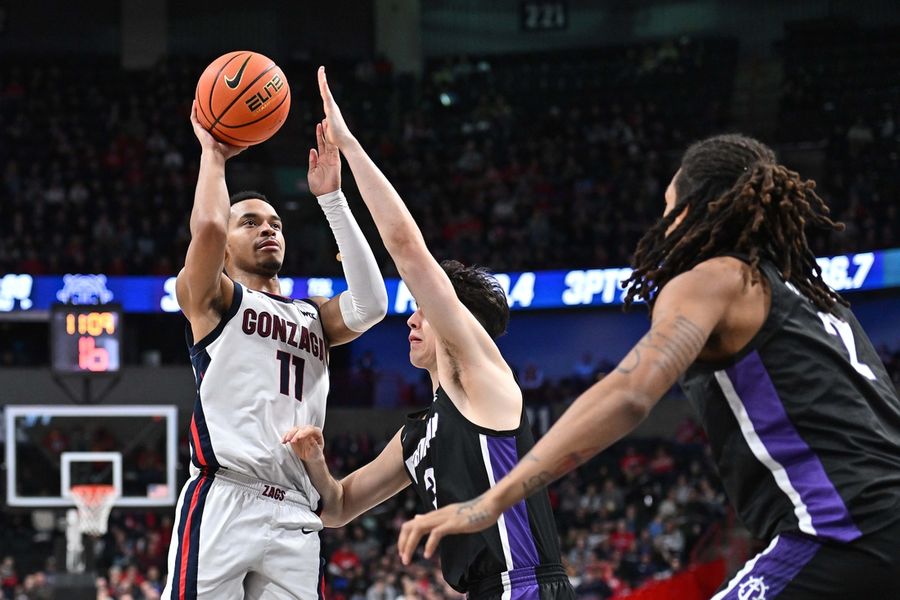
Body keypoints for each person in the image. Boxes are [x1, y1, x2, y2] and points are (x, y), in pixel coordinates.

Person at [397, 134, 900, 597]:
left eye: (669, 208)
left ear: (701, 210)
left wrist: (491, 501)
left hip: (840, 529)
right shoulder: (821, 299)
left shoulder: (716, 277)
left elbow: (629, 393)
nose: (662, 225)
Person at [282, 67, 575, 600]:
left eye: (422, 309)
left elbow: (407, 247)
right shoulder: (420, 432)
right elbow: (339, 506)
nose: (412, 320)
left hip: (526, 587)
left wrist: (346, 147)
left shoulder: (482, 379)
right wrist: (315, 461)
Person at [161, 100, 387, 599]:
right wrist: (214, 155)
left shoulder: (313, 316)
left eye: (277, 223)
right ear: (222, 253)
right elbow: (210, 229)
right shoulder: (213, 300)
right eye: (252, 223)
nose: (268, 228)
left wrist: (331, 200)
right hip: (226, 495)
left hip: (296, 509)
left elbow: (372, 304)